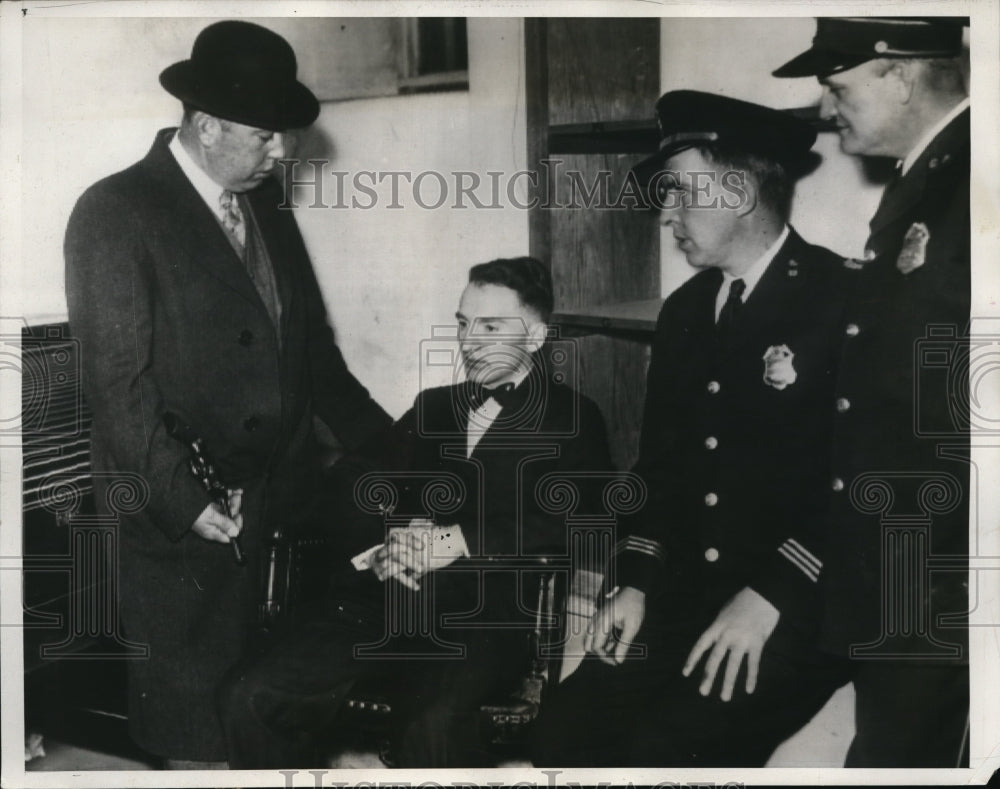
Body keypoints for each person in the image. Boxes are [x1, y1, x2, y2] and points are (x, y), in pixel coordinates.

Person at [64, 20, 392, 767]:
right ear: (206, 125)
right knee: (199, 746)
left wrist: (404, 454)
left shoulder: (266, 205)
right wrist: (188, 502)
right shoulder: (116, 211)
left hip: (279, 519)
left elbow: (314, 360)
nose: (282, 153)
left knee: (268, 730)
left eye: (285, 136)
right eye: (265, 136)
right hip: (182, 527)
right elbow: (119, 389)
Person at [532, 91, 854, 767]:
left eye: (680, 191)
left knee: (668, 748)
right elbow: (660, 469)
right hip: (684, 593)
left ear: (740, 192)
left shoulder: (842, 301)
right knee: (562, 727)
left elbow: (863, 481)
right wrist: (636, 581)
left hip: (797, 602)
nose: (666, 214)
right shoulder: (686, 310)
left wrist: (771, 597)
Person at [218, 256, 612, 768]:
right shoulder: (435, 407)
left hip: (482, 622)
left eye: (491, 328)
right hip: (381, 603)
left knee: (430, 727)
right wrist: (386, 540)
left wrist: (454, 540)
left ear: (535, 337)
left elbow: (580, 521)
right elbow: (352, 481)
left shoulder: (573, 417)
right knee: (249, 696)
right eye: (463, 324)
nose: (470, 342)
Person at [773, 16, 970, 767]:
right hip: (899, 566)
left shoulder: (974, 177)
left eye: (838, 86)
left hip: (941, 570)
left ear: (902, 75)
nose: (827, 108)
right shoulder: (928, 178)